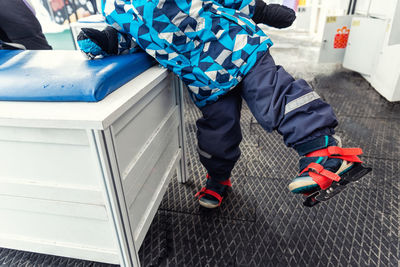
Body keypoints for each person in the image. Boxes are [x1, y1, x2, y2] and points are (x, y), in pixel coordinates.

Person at [77, 0, 370, 208]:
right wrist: (109, 41)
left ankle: (323, 151)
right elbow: (140, 39)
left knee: (271, 95)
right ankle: (218, 179)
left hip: (237, 46)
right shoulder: (112, 8)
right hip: (203, 76)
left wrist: (262, 10)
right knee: (217, 132)